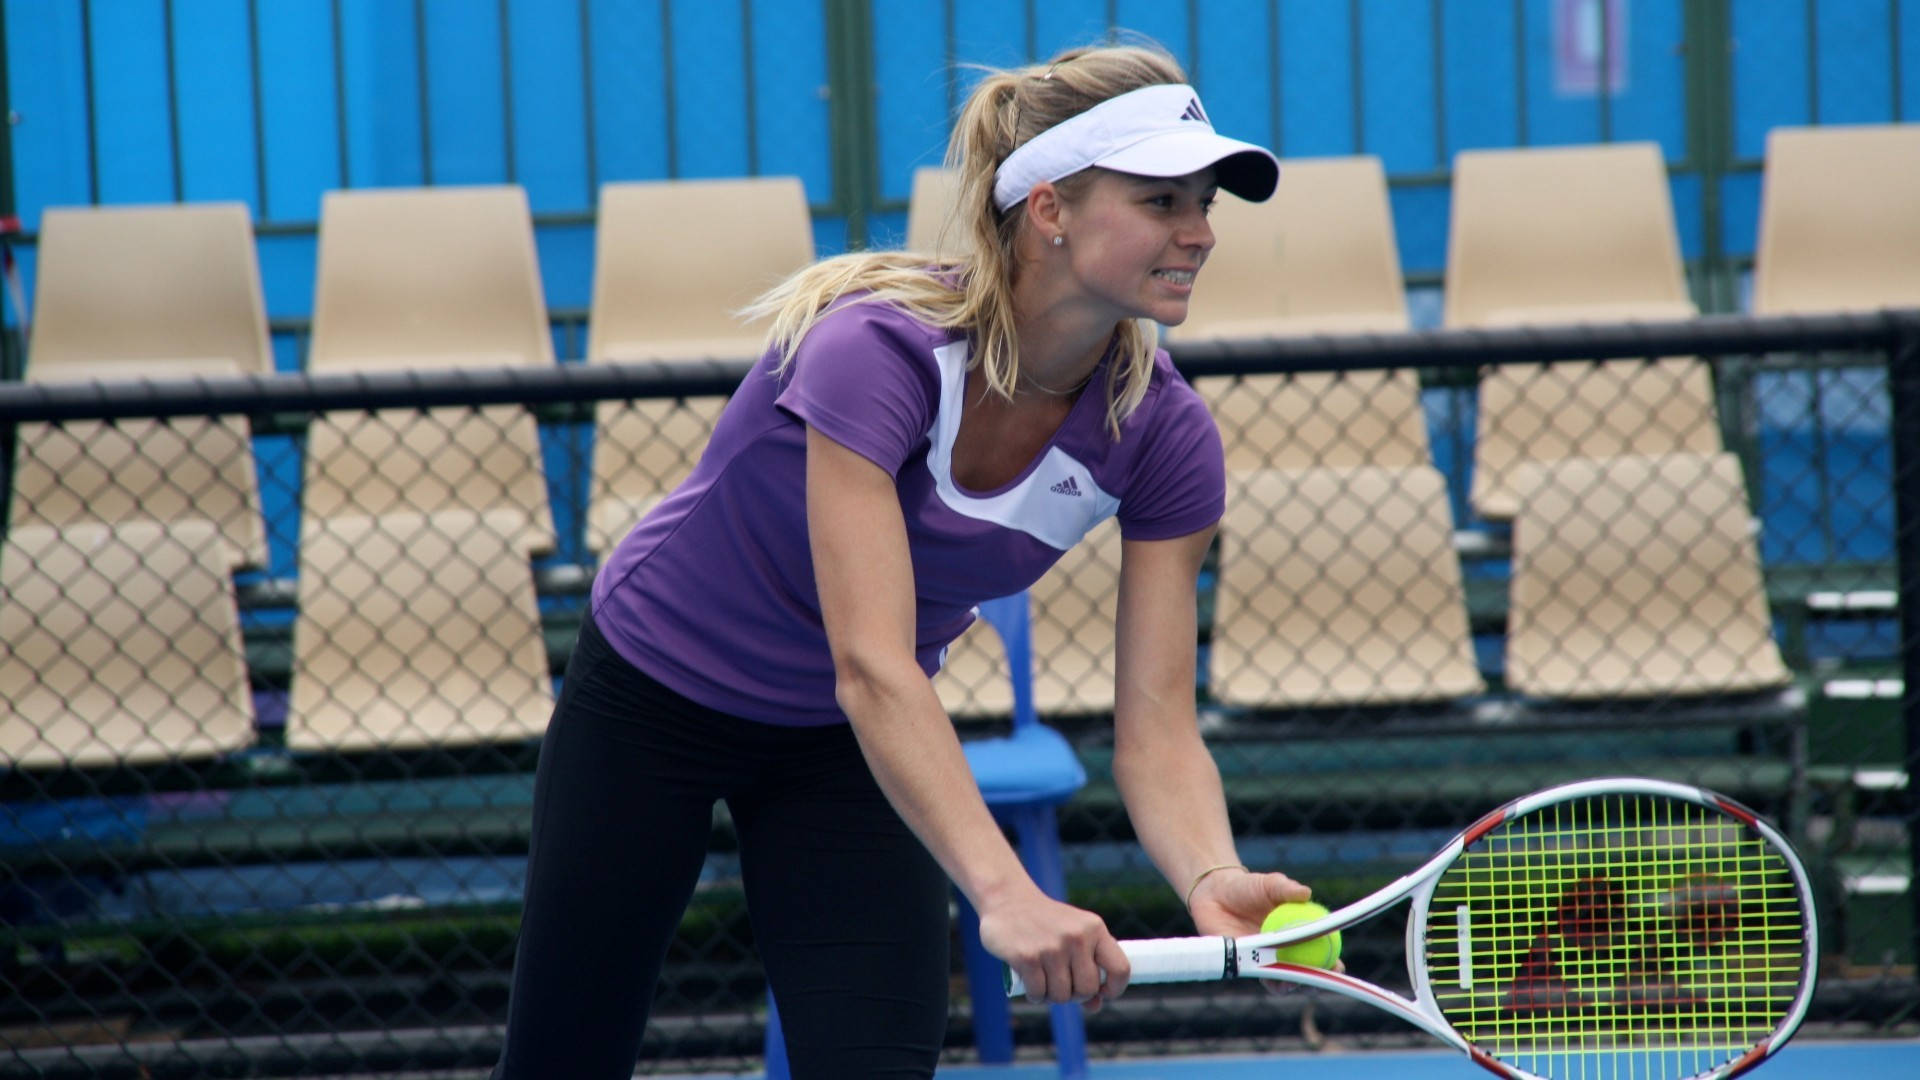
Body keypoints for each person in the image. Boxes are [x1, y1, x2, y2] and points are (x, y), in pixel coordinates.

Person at [492, 41, 1316, 1080]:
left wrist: (1211, 872)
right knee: (564, 1060)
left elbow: (1156, 724)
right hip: (655, 695)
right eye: (1161, 201)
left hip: (842, 748)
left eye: (1205, 203)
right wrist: (1006, 894)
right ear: (1050, 209)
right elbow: (873, 662)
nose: (1198, 233)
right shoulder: (873, 352)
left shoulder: (1167, 435)